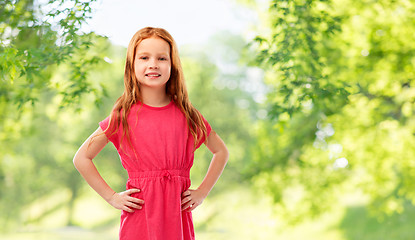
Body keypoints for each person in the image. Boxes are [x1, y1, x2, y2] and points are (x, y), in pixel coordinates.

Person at [73, 27, 229, 240]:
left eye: (162, 58)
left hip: (177, 220)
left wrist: (202, 192)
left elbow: (221, 151)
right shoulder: (123, 116)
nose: (153, 64)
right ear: (132, 64)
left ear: (172, 65)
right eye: (144, 57)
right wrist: (111, 197)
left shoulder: (188, 115)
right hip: (140, 217)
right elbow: (82, 158)